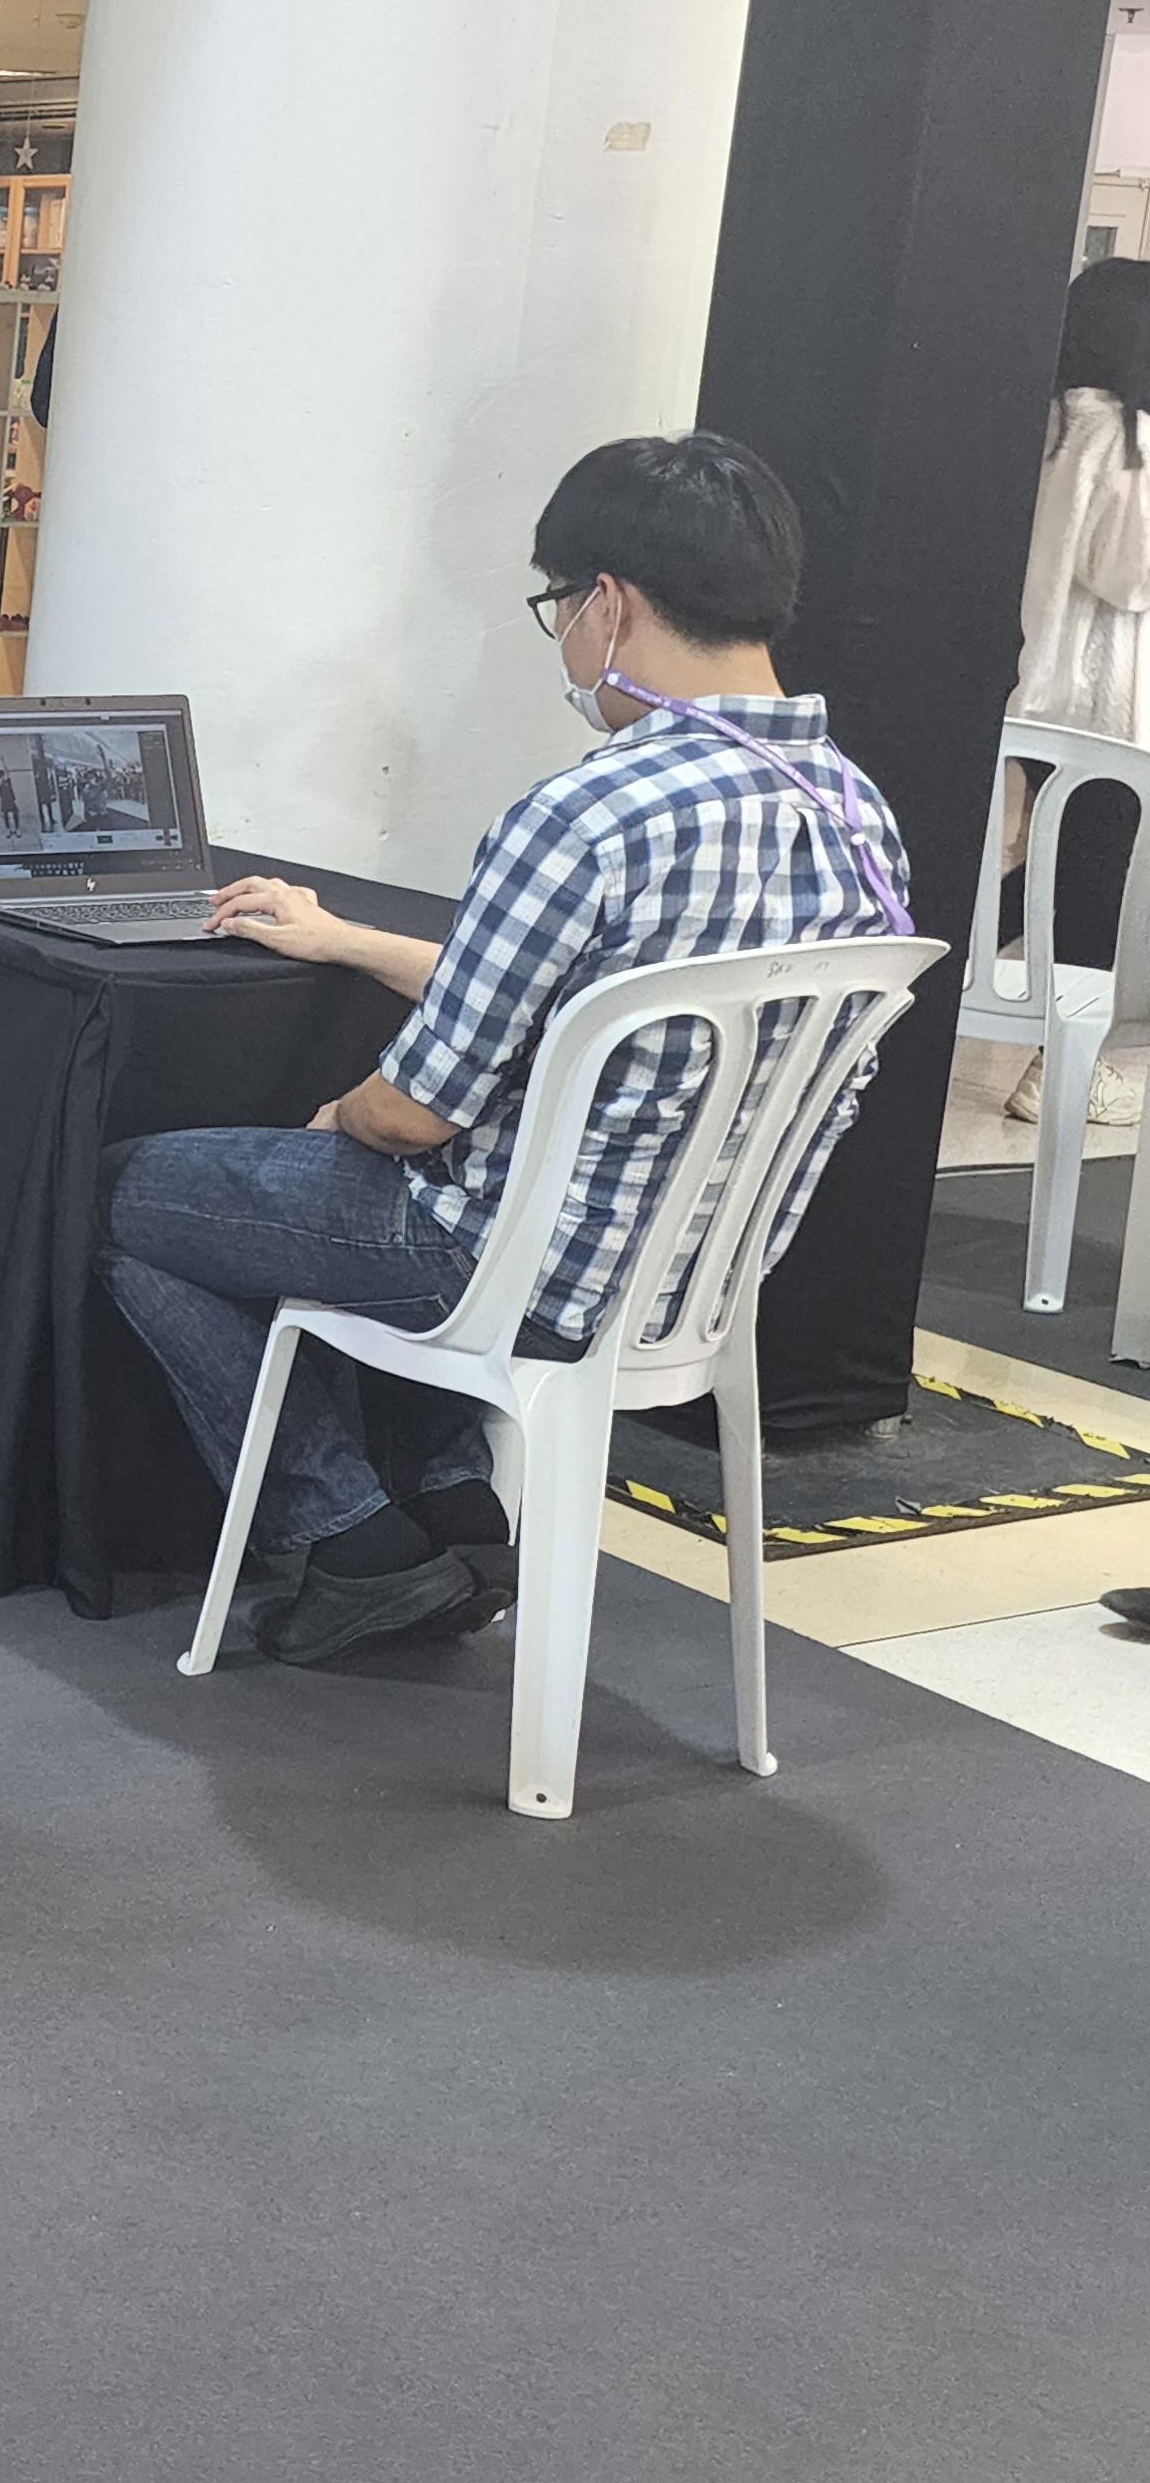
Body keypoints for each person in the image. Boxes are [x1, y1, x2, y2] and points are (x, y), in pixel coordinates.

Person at [101, 433, 909, 1665]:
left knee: (126, 1196)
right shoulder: (858, 818)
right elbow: (602, 1003)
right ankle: (456, 1516)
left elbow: (411, 1114)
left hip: (510, 1270)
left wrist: (339, 1117)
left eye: (557, 610)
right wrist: (348, 941)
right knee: (389, 1186)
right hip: (694, 1277)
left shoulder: (586, 813)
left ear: (608, 604)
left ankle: (349, 1540)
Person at [1000, 255, 1150, 1122]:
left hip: (1043, 690)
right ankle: (1062, 1071)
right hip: (1106, 708)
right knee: (1090, 891)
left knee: (1041, 875)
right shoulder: (1124, 440)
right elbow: (1131, 575)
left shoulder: (1052, 423)